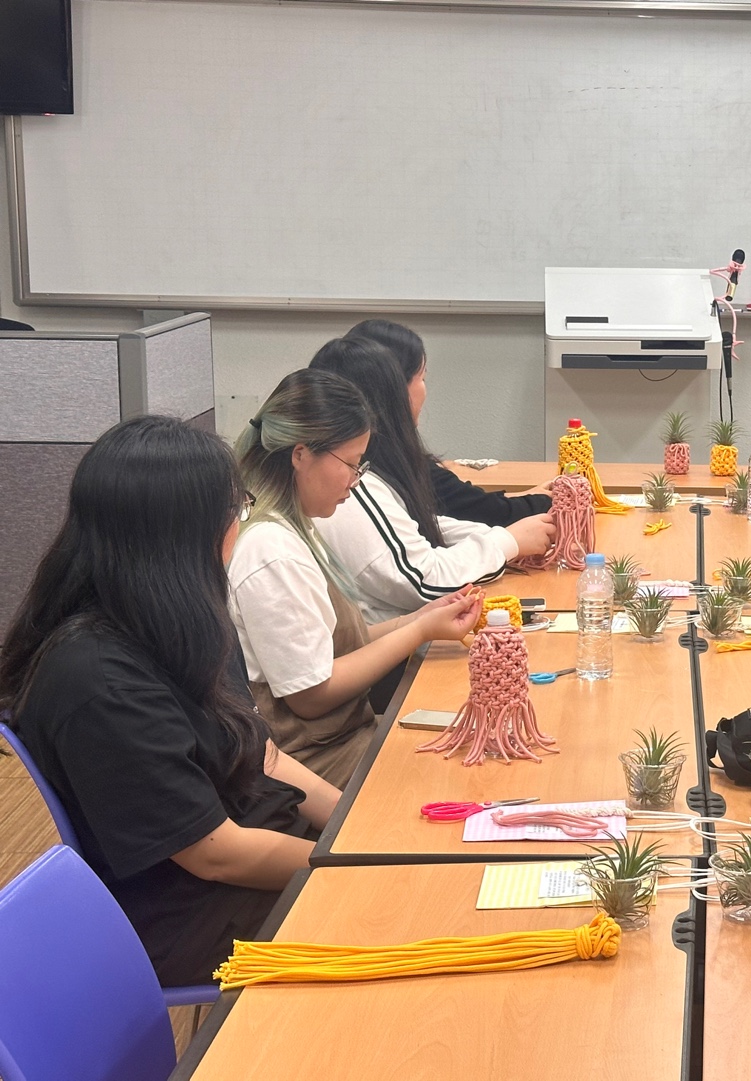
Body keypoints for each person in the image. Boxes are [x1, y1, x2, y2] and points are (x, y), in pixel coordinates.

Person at [0, 415, 340, 986]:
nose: (239, 525)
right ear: (190, 533)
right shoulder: (98, 678)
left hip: (256, 857)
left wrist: (355, 828)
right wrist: (351, 864)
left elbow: (265, 755)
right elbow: (215, 854)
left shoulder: (179, 618)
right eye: (237, 510)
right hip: (195, 913)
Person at [229, 369, 482, 786]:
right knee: (463, 776)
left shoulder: (293, 526)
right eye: (350, 463)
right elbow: (312, 695)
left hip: (343, 739)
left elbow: (329, 646)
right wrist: (418, 632)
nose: (354, 480)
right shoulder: (270, 550)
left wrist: (420, 619)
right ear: (300, 454)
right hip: (317, 762)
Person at [309, 335, 554, 621]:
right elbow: (423, 580)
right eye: (421, 378)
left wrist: (507, 539)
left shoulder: (371, 470)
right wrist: (507, 541)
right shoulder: (353, 484)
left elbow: (419, 528)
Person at [346, 318, 553, 526]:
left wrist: (533, 495)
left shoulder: (362, 451)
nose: (425, 390)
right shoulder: (392, 462)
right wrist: (552, 500)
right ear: (396, 387)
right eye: (422, 378)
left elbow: (474, 504)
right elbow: (489, 513)